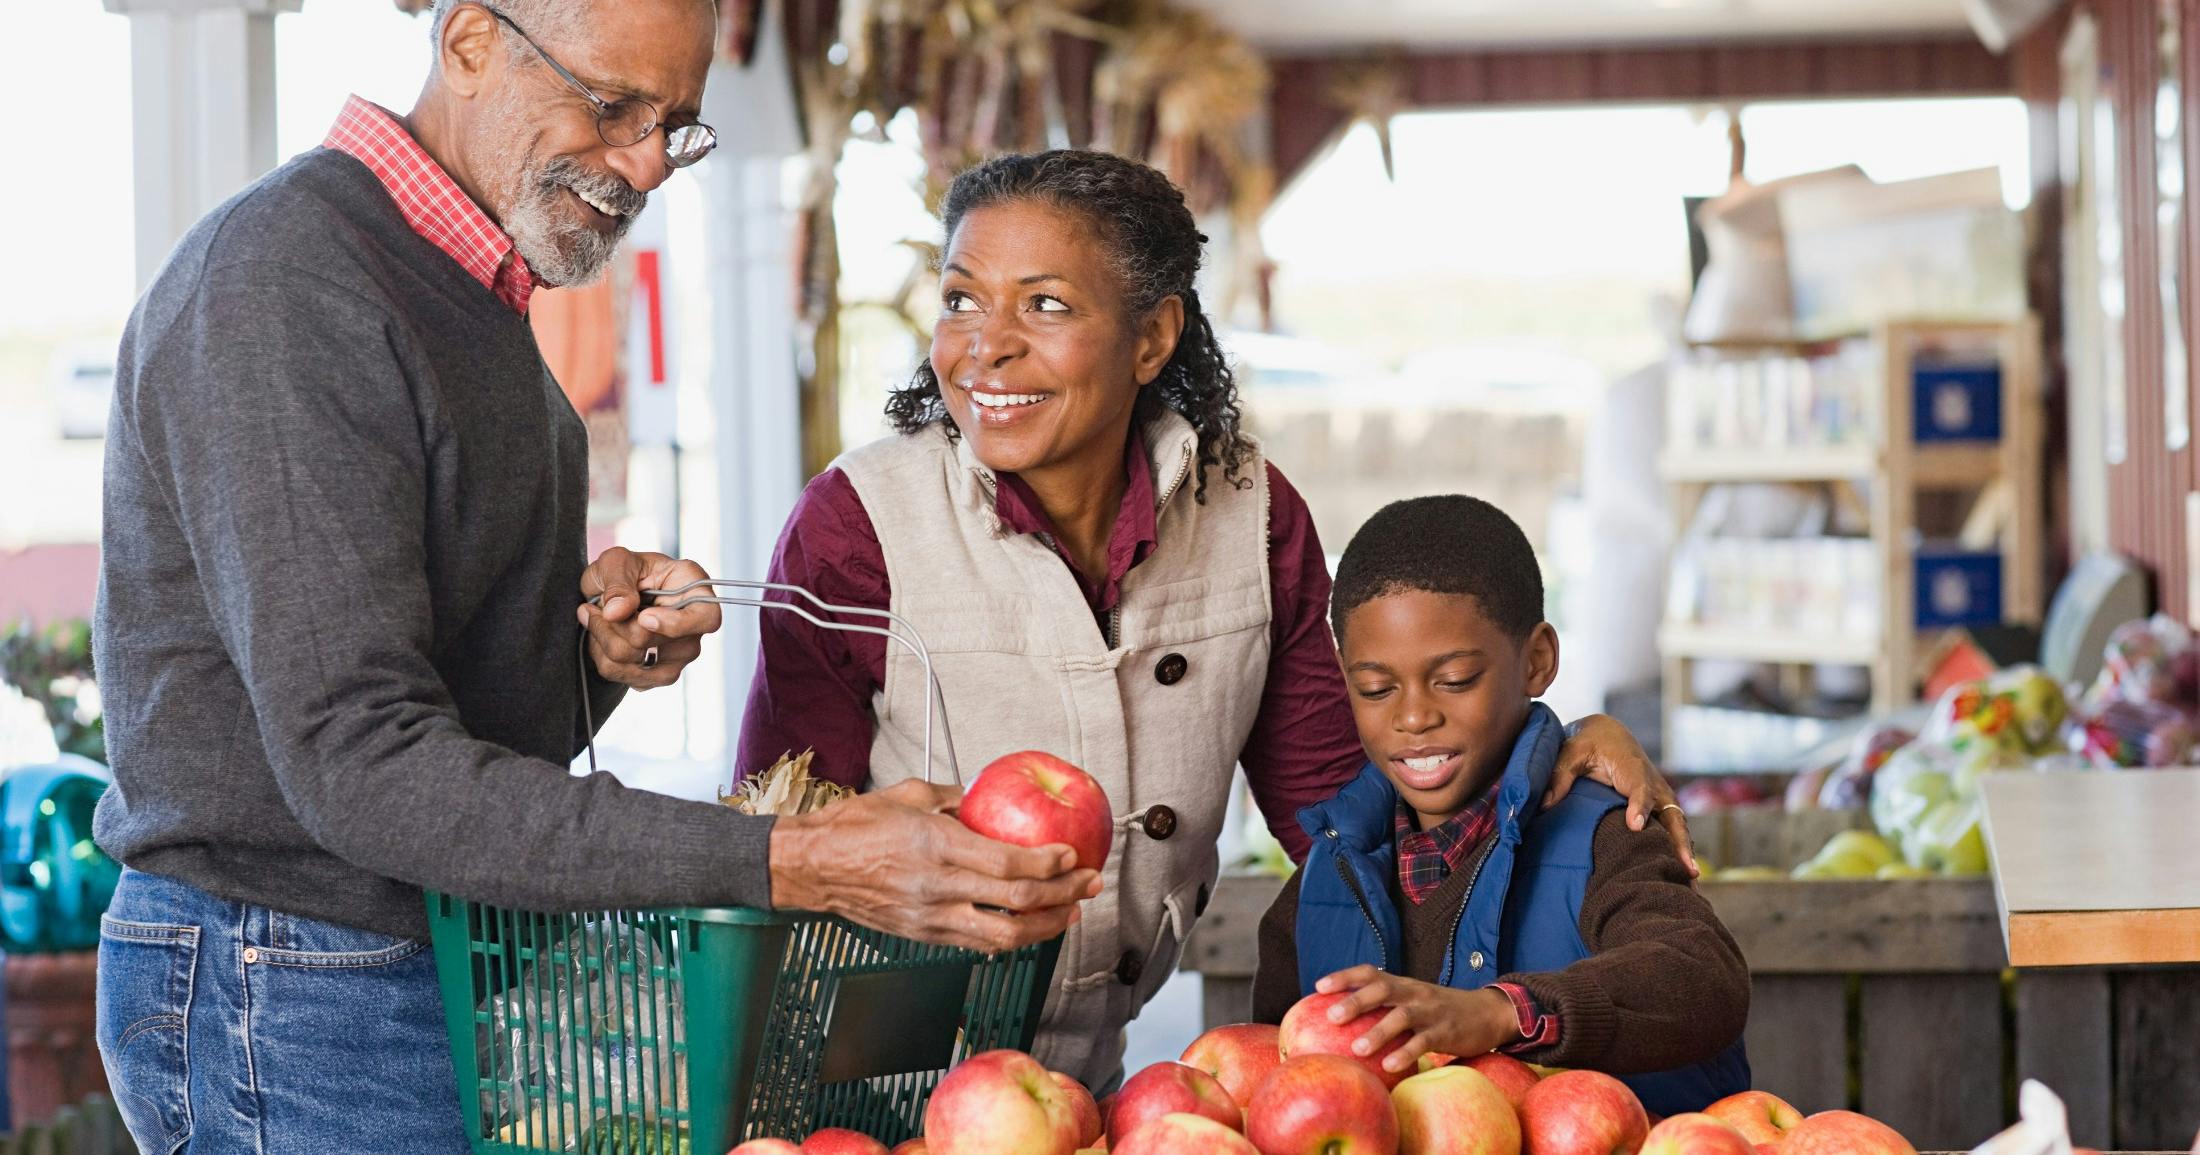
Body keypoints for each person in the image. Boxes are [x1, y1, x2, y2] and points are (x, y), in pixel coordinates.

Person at [90, 3, 1091, 1151]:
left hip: (394, 959)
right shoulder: (286, 284)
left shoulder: (467, 286)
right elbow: (360, 766)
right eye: (613, 108)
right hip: (295, 976)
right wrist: (798, 861)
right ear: (470, 43)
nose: (645, 166)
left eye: (675, 128)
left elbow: (431, 701)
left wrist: (590, 659)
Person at [736, 149, 1694, 1092]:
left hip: (1089, 1089)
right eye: (960, 299)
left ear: (1152, 338)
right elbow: (775, 838)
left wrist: (1553, 747)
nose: (985, 344)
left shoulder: (1252, 517)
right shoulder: (858, 524)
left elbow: (1351, 818)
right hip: (861, 1071)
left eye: (1047, 303)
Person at [1251, 495, 1750, 1116]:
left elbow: (1702, 977)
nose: (1413, 716)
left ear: (1537, 661)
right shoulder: (1320, 886)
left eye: (1455, 679)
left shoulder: (1605, 835)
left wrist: (1500, 1013)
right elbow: (1272, 1090)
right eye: (1375, 689)